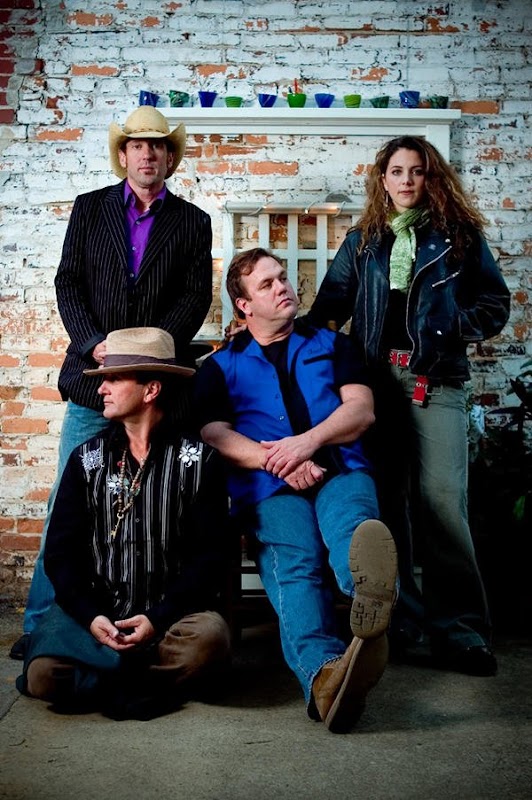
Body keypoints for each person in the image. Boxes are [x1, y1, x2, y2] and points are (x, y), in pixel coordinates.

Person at [10, 105, 213, 660]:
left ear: (169, 157)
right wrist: (94, 344)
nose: (148, 154)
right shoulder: (90, 208)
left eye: (158, 145)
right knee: (66, 503)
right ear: (123, 155)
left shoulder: (193, 221)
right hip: (92, 381)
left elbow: (195, 296)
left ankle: (153, 615)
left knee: (163, 501)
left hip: (156, 392)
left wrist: (148, 356)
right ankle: (41, 623)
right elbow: (68, 282)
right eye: (138, 145)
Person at [306, 135, 511, 677]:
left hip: (434, 380)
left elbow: (495, 304)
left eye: (416, 171)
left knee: (442, 502)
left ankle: (460, 632)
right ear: (383, 180)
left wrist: (448, 328)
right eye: (396, 171)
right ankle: (401, 622)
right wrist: (271, 335)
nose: (405, 181)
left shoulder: (460, 238)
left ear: (430, 177)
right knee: (388, 504)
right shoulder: (363, 242)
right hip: (376, 384)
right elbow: (328, 310)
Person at [194, 248, 398, 734]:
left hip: (340, 469)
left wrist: (307, 443)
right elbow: (213, 433)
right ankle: (325, 677)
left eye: (282, 278)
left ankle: (369, 602)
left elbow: (361, 410)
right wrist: (278, 460)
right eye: (266, 284)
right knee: (294, 560)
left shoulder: (335, 345)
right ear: (244, 305)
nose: (283, 287)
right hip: (270, 487)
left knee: (351, 529)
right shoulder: (220, 366)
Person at [16, 327, 231, 720]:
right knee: (43, 676)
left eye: (114, 379)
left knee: (209, 642)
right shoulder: (87, 460)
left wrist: (157, 618)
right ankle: (141, 681)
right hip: (100, 615)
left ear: (151, 390)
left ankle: (107, 677)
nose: (102, 389)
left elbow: (211, 558)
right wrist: (90, 617)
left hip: (172, 618)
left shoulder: (199, 462)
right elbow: (61, 555)